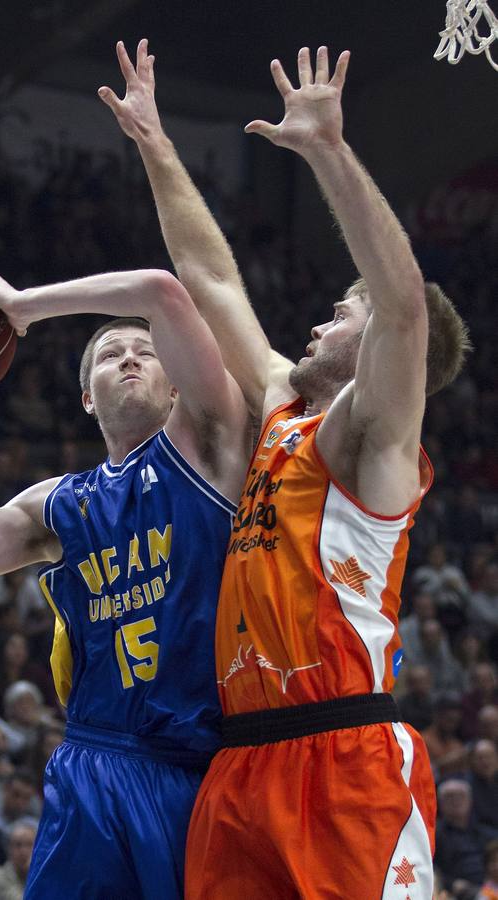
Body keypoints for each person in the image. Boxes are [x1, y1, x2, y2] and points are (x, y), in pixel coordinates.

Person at [98, 40, 470, 897]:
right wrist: (154, 143)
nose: (317, 324)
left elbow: (405, 305)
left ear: (372, 345)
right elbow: (208, 276)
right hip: (241, 761)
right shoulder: (279, 407)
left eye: (342, 313)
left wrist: (330, 153)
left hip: (342, 760)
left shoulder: (371, 438)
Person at [0, 263, 250, 898]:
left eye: (147, 351)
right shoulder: (59, 505)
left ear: (176, 389)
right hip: (93, 764)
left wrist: (25, 303)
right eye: (111, 354)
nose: (130, 359)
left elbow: (161, 289)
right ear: (87, 398)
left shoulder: (212, 449)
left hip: (199, 767)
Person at [0, 820, 37, 900]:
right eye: (18, 845)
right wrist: (33, 874)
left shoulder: (45, 875)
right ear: (9, 849)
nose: (23, 851)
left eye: (29, 844)